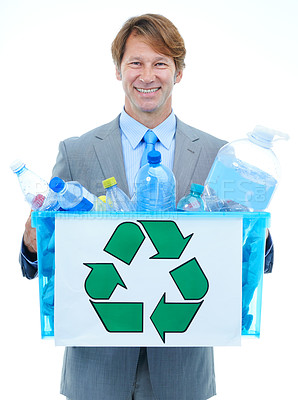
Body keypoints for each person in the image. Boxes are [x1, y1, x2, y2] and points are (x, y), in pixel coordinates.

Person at [20, 13, 273, 400]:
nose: (147, 75)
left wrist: (257, 232)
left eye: (160, 63)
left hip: (182, 372)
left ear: (179, 72)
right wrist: (33, 241)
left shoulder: (218, 155)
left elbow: (253, 264)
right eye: (135, 62)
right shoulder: (76, 152)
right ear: (118, 71)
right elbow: (39, 266)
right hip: (95, 372)